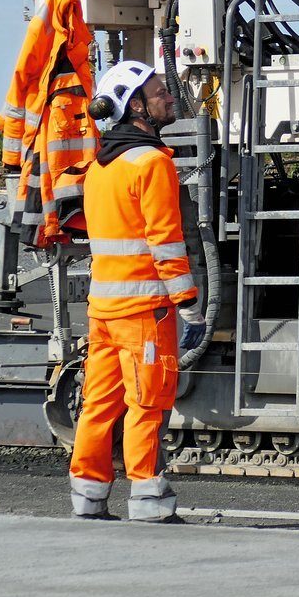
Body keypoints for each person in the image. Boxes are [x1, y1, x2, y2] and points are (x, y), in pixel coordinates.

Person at [67, 60, 205, 522]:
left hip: (104, 309)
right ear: (135, 107)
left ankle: (87, 498)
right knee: (147, 401)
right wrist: (189, 307)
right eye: (160, 92)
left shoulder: (100, 167)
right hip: (145, 311)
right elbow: (166, 243)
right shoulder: (151, 164)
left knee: (100, 404)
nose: (169, 97)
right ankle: (149, 500)